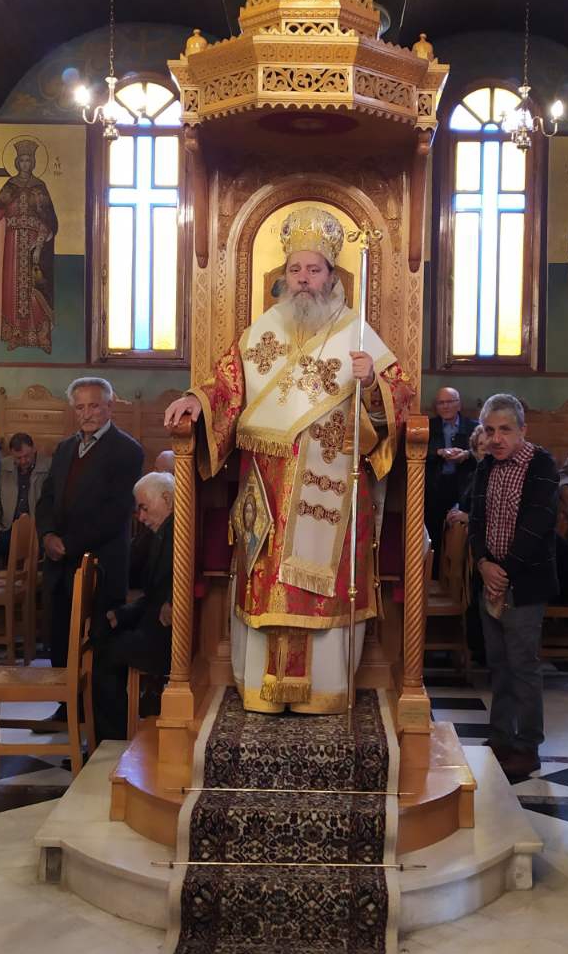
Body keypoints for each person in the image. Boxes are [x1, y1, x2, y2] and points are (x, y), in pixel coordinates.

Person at [164, 205, 416, 713]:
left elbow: (402, 400)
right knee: (266, 581)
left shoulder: (356, 334)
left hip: (332, 485)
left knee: (318, 585)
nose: (303, 279)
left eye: (313, 269)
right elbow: (227, 386)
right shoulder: (263, 332)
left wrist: (372, 382)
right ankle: (263, 686)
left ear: (331, 276)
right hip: (268, 485)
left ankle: (323, 689)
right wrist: (196, 400)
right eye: (295, 269)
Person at [467, 395, 560, 780]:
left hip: (524, 581)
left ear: (523, 430)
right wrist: (483, 564)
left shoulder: (541, 465)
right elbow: (476, 520)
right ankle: (502, 735)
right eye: (490, 430)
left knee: (523, 665)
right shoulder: (486, 466)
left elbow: (538, 523)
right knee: (499, 663)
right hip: (491, 578)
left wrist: (502, 572)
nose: (496, 438)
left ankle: (527, 744)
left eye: (505, 430)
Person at [35, 377, 143, 672]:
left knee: (100, 652)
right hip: (60, 566)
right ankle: (65, 699)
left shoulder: (127, 450)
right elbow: (46, 498)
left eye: (94, 406)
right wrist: (47, 535)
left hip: (101, 565)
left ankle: (96, 702)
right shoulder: (64, 448)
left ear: (109, 406)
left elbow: (116, 513)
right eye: (80, 407)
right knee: (60, 644)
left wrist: (67, 544)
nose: (87, 414)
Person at [93, 472, 177, 742]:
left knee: (103, 655)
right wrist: (122, 614)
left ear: (167, 499)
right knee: (104, 637)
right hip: (153, 626)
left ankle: (112, 740)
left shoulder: (177, 532)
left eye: (144, 508)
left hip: (168, 638)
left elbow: (175, 588)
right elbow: (152, 595)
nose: (140, 517)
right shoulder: (161, 531)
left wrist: (170, 602)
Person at [0, 138, 58, 351]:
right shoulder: (10, 187)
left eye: (29, 160)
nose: (25, 164)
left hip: (35, 244)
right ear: (17, 163)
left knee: (35, 288)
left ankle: (41, 335)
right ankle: (15, 334)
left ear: (33, 163)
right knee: (12, 288)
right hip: (13, 245)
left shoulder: (40, 188)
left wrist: (39, 243)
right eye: (22, 160)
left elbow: (49, 220)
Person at [426, 386, 478, 554]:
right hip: (435, 486)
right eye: (441, 403)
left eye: (450, 402)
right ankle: (433, 567)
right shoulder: (427, 427)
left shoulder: (473, 427)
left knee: (459, 535)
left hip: (464, 486)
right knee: (433, 531)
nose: (445, 406)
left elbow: (484, 452)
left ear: (459, 404)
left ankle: (457, 567)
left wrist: (466, 454)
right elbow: (417, 452)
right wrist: (439, 452)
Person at [0, 431, 50, 557]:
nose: (23, 461)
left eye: (27, 456)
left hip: (36, 529)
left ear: (34, 449)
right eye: (18, 458)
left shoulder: (49, 467)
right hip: (7, 527)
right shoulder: (2, 467)